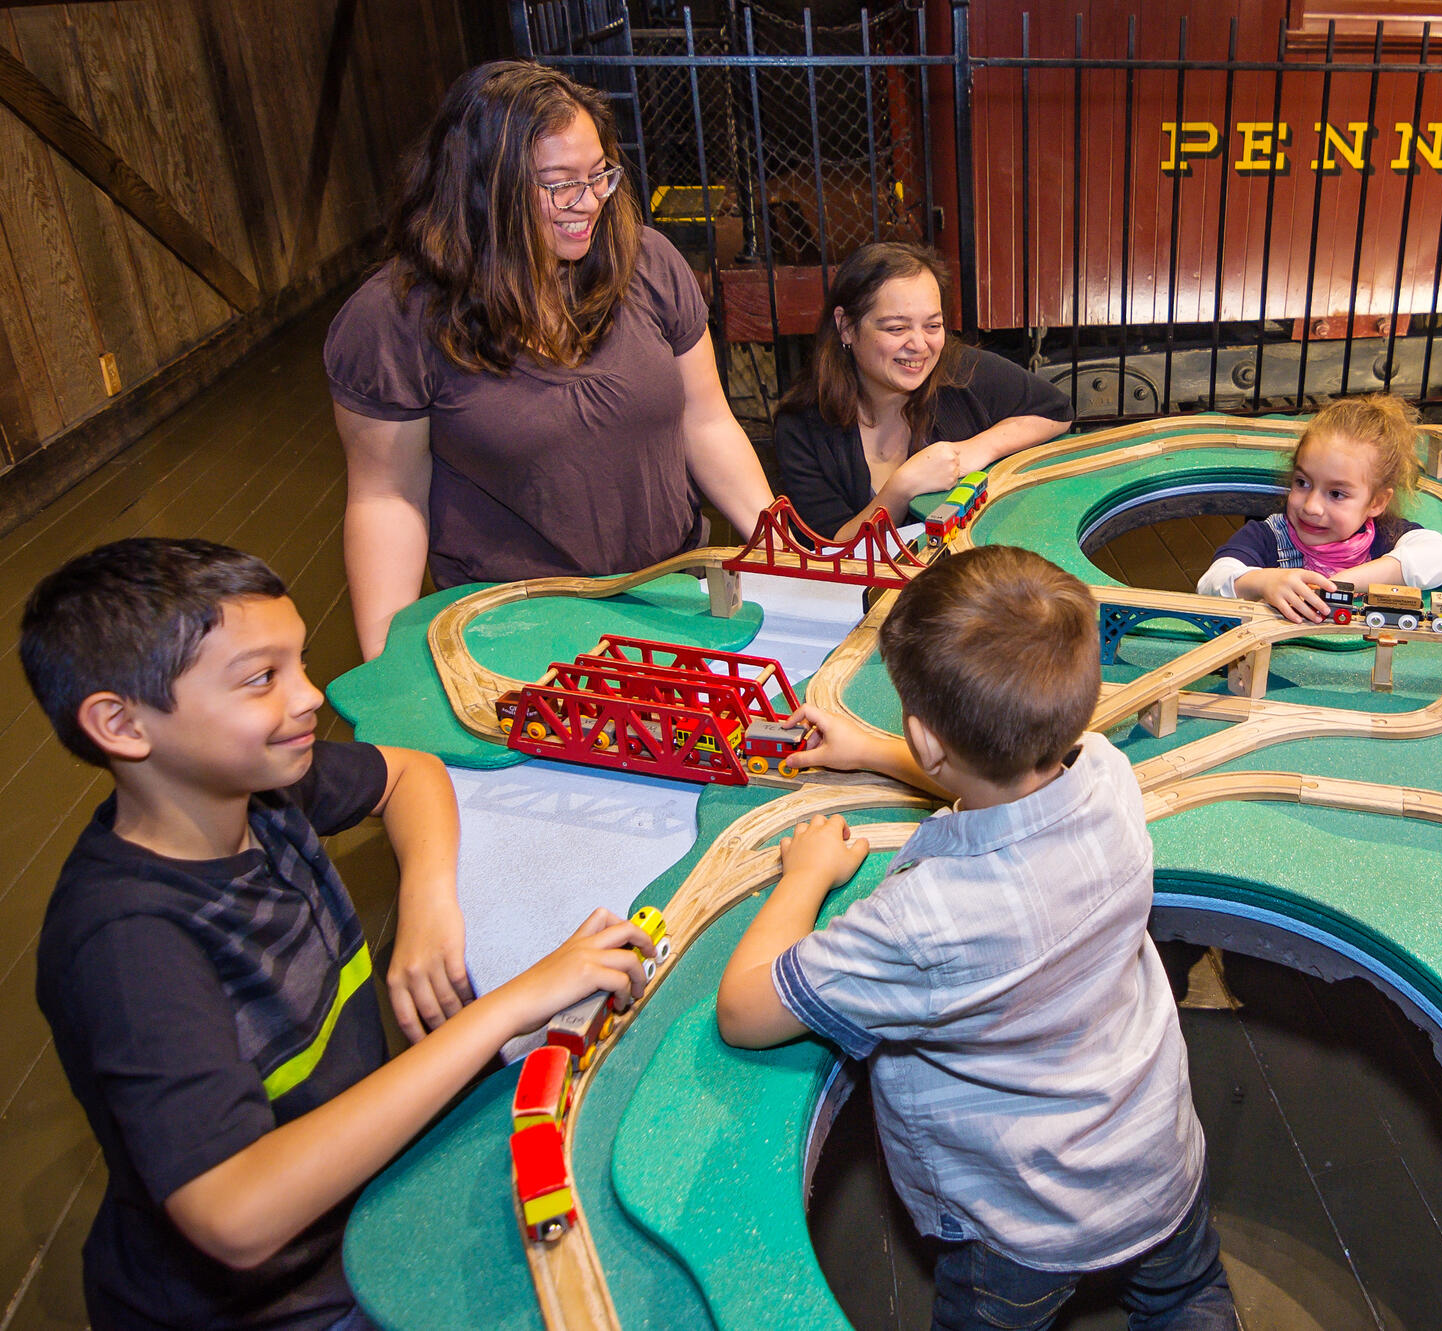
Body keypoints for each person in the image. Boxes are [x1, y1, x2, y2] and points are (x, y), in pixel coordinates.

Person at [21, 538, 659, 1331]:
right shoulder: (127, 946)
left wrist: (427, 901)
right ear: (121, 723)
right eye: (262, 679)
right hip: (269, 1309)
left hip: (354, 1219)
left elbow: (409, 774)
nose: (311, 695)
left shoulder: (260, 793)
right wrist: (507, 1005)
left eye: (298, 664)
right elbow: (237, 1213)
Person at [715, 546, 1236, 1331]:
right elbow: (1013, 779)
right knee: (1187, 1295)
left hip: (1020, 1228)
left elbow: (744, 1011)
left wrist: (807, 874)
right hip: (1158, 1165)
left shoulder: (922, 921)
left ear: (929, 740)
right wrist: (874, 752)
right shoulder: (1107, 777)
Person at [325, 60, 772, 661]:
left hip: (674, 601)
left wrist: (781, 550)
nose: (586, 203)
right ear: (482, 188)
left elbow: (707, 420)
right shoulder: (394, 318)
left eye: (598, 176)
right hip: (517, 633)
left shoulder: (649, 262)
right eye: (559, 183)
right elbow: (387, 499)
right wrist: (391, 664)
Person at [773, 243, 1073, 543]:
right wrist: (900, 489)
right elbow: (832, 548)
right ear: (846, 327)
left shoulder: (960, 369)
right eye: (896, 328)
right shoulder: (800, 427)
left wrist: (973, 450)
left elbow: (1056, 411)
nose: (919, 345)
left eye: (933, 325)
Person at [1198, 394, 1442, 623]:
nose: (1312, 507)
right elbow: (1211, 583)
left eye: (1336, 493)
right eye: (1302, 483)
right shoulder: (1267, 536)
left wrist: (1338, 585)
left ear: (1376, 502)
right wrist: (1262, 582)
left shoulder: (1385, 534)